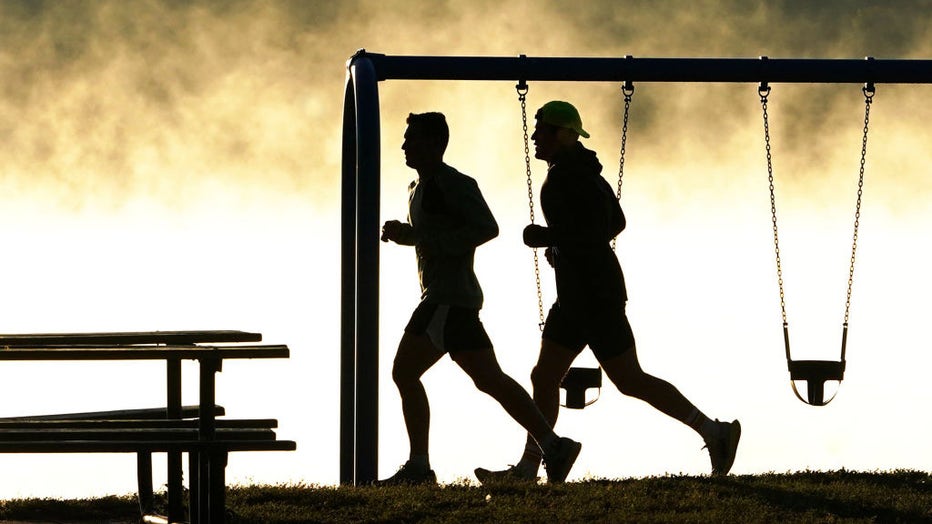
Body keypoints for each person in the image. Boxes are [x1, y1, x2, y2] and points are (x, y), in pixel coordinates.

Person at [474, 101, 740, 484]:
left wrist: (547, 237)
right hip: (580, 295)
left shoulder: (570, 176)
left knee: (626, 379)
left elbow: (595, 231)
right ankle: (533, 465)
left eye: (543, 130)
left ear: (564, 135)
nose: (535, 136)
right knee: (547, 376)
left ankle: (715, 432)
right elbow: (615, 222)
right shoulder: (584, 173)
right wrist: (561, 246)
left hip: (593, 296)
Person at [377, 112, 581, 486]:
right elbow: (431, 234)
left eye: (412, 138)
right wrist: (406, 234)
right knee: (491, 380)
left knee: (405, 372)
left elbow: (486, 227)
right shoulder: (416, 188)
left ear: (435, 144)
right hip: (450, 301)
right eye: (405, 138)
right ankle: (554, 446)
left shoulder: (454, 183)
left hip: (447, 301)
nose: (404, 145)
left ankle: (420, 468)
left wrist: (429, 240)